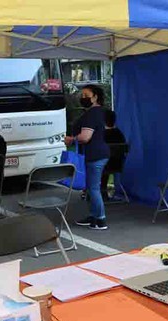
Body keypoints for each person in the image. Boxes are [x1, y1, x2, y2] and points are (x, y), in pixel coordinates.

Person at [65, 85, 110, 230]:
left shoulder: (92, 114)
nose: (82, 98)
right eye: (81, 95)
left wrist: (71, 140)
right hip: (99, 153)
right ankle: (94, 215)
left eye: (86, 95)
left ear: (95, 97)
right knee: (91, 188)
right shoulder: (99, 112)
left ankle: (100, 219)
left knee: (93, 188)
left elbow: (85, 137)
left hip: (94, 155)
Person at [101, 109, 127, 201]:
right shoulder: (119, 134)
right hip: (117, 165)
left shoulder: (101, 135)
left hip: (104, 165)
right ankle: (102, 193)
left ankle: (95, 193)